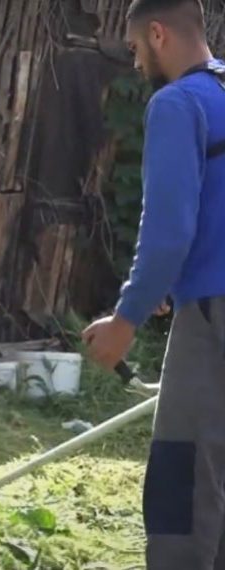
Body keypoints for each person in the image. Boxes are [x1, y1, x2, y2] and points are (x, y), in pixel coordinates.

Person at [82, 0, 225, 567]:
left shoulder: (177, 103)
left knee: (180, 478)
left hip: (214, 311)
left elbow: (167, 232)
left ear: (159, 34)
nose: (137, 63)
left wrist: (125, 320)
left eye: (137, 48)